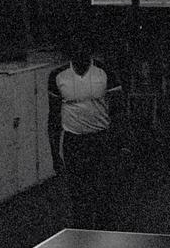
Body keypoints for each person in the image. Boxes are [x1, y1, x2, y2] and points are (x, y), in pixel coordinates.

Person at [47, 34, 132, 230]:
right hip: (74, 143)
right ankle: (82, 240)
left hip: (101, 141)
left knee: (104, 196)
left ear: (89, 50)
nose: (79, 52)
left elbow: (119, 113)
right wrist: (54, 154)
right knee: (78, 197)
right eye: (75, 48)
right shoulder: (58, 76)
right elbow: (53, 119)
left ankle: (104, 238)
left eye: (83, 48)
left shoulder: (105, 72)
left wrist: (123, 145)